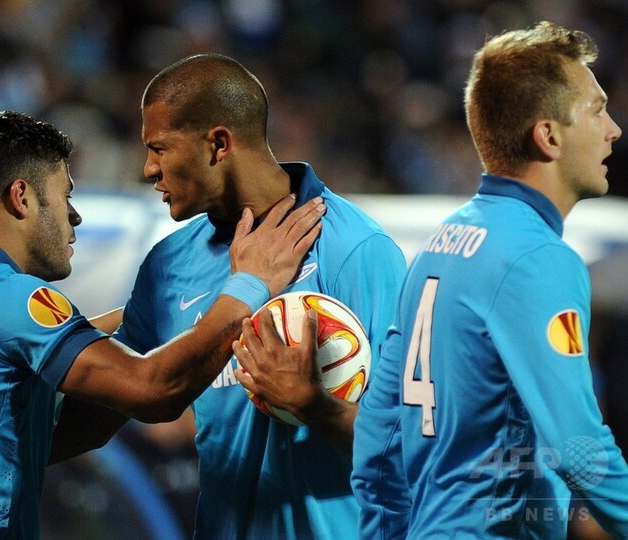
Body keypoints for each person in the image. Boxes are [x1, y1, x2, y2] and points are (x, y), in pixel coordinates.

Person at [0, 110, 324, 538]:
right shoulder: (8, 299)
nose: (75, 216)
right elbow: (153, 389)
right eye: (64, 195)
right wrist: (248, 285)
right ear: (21, 198)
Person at [239, 20, 628, 538]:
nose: (613, 129)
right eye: (597, 110)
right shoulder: (538, 258)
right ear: (549, 136)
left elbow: (379, 437)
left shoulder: (440, 245)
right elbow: (580, 448)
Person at [112, 53, 406, 538]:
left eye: (159, 148)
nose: (148, 169)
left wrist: (316, 408)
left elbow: (410, 449)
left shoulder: (355, 250)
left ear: (218, 144)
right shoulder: (167, 265)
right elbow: (116, 391)